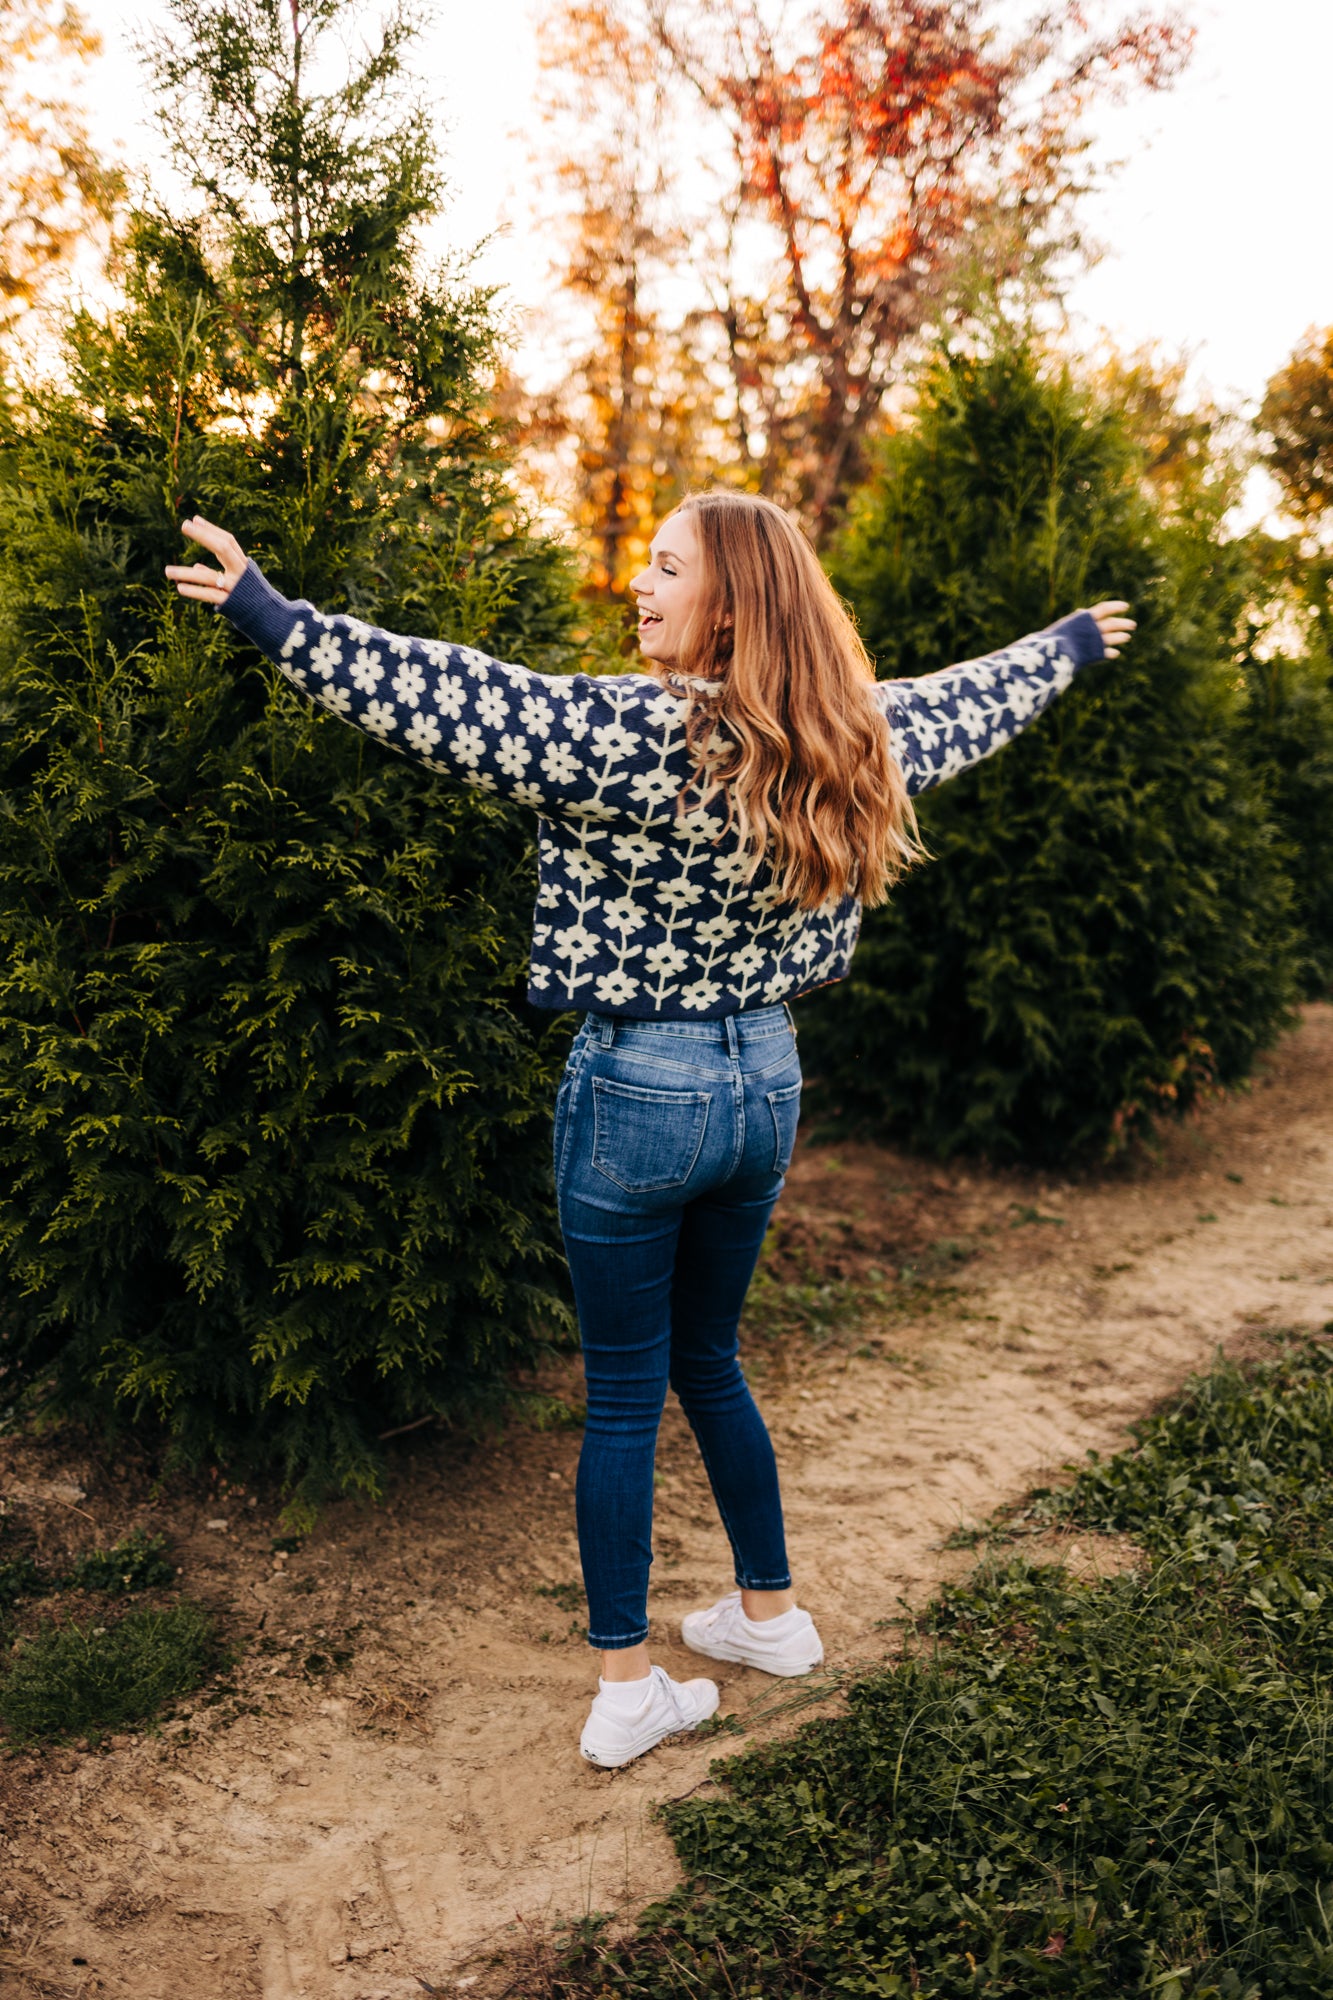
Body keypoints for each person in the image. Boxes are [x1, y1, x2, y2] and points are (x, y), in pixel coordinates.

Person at [166, 496, 1134, 1768]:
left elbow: (450, 697)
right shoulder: (848, 729)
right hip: (766, 1080)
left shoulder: (633, 733)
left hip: (641, 1085)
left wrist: (271, 615)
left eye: (668, 568)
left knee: (624, 1392)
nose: (641, 584)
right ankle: (770, 1617)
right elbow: (970, 700)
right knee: (710, 1357)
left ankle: (627, 1685)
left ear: (729, 607)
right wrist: (1066, 645)